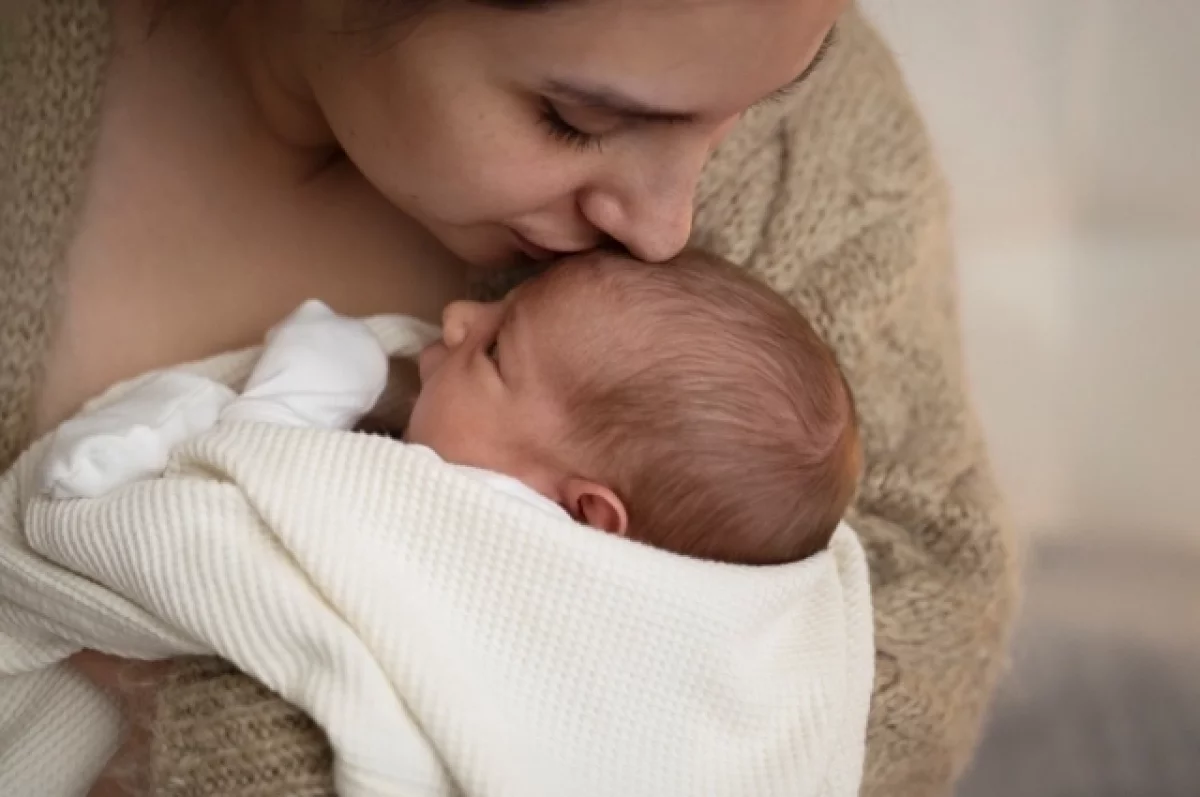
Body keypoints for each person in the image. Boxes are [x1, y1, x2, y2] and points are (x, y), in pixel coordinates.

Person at [0, 1, 1016, 795]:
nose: (667, 229)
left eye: (761, 106)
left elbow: (924, 602)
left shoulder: (809, 120)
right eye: (580, 119)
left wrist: (249, 742)